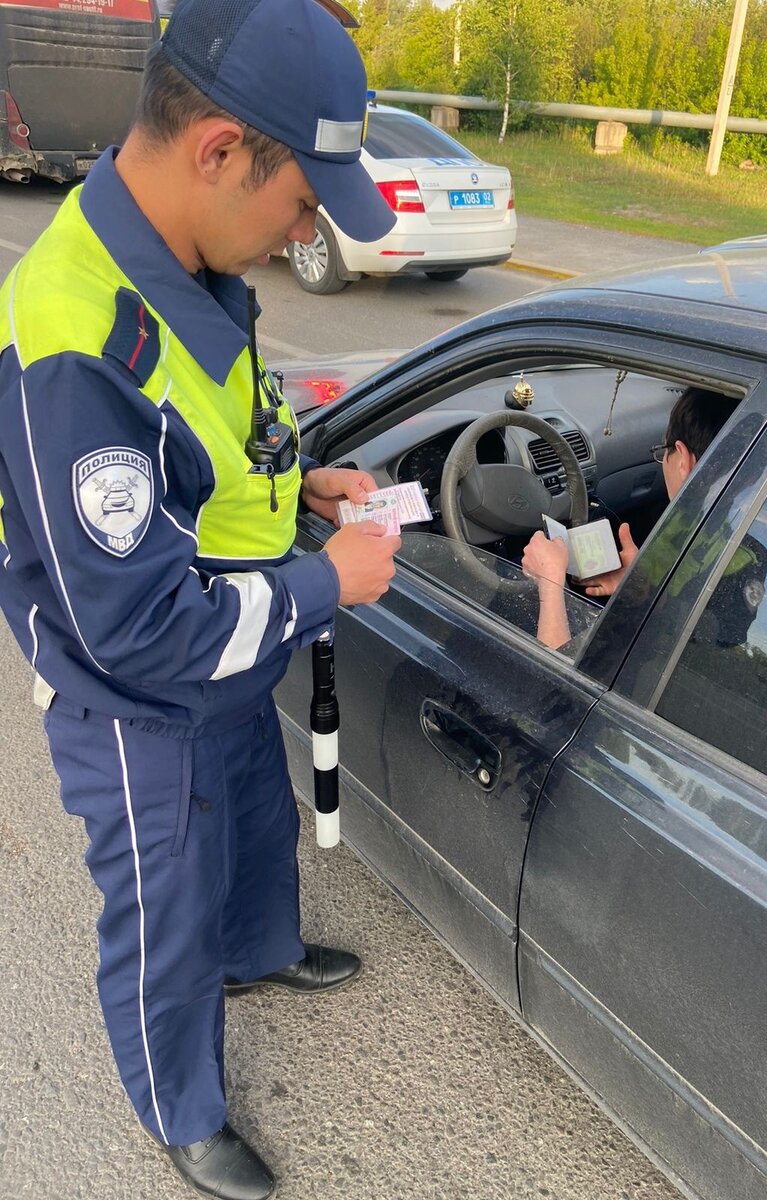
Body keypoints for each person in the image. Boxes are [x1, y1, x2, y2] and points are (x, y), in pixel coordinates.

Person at [0, 2, 400, 1197]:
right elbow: (130, 624)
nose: (307, 229)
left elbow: (226, 418)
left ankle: (258, 951)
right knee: (164, 893)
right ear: (220, 149)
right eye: (303, 202)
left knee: (252, 821)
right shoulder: (77, 334)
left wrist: (303, 470)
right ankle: (180, 1108)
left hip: (232, 632)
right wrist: (328, 583)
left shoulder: (190, 253)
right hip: (136, 692)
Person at [523, 387, 741, 650]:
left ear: (682, 459)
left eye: (663, 452)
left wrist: (549, 582)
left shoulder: (745, 558)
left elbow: (555, 685)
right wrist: (642, 590)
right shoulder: (745, 529)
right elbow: (687, 629)